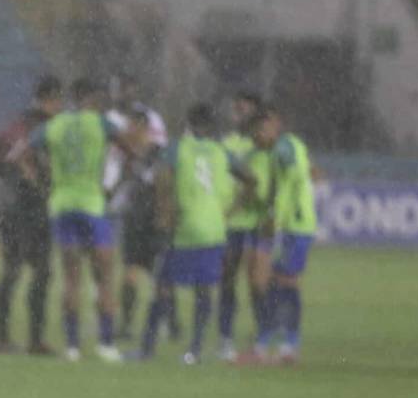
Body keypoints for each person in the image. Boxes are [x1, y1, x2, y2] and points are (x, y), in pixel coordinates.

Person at [20, 78, 129, 362]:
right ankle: (106, 344)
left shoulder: (54, 125)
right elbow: (133, 152)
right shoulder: (101, 124)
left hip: (62, 204)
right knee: (104, 276)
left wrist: (43, 183)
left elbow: (21, 155)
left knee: (71, 279)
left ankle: (72, 346)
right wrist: (114, 187)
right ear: (91, 98)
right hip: (93, 205)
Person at [134, 103, 252, 364]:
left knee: (163, 287)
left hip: (185, 227)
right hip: (214, 229)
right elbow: (250, 179)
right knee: (203, 291)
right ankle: (195, 350)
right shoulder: (222, 152)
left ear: (188, 123)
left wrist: (164, 211)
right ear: (211, 126)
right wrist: (231, 211)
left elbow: (162, 177)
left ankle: (146, 348)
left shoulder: (178, 148)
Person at [244, 105, 319, 364]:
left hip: (295, 225)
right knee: (280, 282)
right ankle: (278, 345)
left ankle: (282, 346)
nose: (257, 136)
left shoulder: (285, 148)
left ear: (273, 124)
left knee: (284, 282)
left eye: (260, 129)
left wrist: (275, 217)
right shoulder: (285, 147)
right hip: (292, 225)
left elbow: (294, 180)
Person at [0, 75, 61, 355]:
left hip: (12, 204)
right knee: (34, 271)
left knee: (19, 271)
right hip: (27, 207)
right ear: (52, 98)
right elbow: (13, 158)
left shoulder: (16, 123)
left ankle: (8, 339)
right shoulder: (42, 126)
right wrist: (34, 181)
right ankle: (28, 339)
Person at [110, 106, 175, 341]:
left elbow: (166, 187)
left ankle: (170, 323)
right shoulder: (130, 155)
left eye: (130, 126)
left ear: (141, 128)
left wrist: (165, 218)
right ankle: (126, 325)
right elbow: (123, 181)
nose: (126, 131)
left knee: (160, 276)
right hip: (134, 219)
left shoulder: (160, 153)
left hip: (155, 221)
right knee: (130, 273)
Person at [218, 91, 271, 361]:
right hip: (230, 225)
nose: (239, 112)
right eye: (236, 108)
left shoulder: (263, 146)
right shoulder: (225, 143)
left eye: (244, 108)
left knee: (256, 284)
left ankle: (263, 338)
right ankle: (225, 338)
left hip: (254, 223)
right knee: (227, 282)